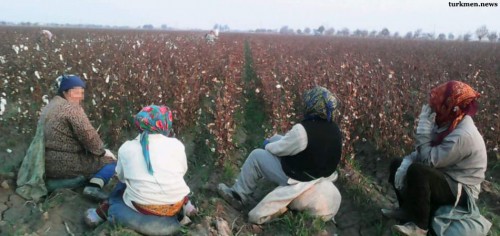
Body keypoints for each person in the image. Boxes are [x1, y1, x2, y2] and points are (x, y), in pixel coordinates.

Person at [217, 86, 343, 219]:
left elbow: (279, 149)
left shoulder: (303, 131)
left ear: (312, 106)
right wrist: (275, 141)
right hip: (316, 174)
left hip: (298, 177)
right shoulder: (335, 130)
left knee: (256, 156)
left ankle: (238, 195)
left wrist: (267, 145)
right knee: (277, 138)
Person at [383, 81, 488, 235]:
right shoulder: (450, 122)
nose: (435, 108)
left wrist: (423, 130)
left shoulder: (463, 135)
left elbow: (429, 161)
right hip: (446, 174)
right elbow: (423, 152)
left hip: (461, 189)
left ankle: (420, 226)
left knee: (419, 171)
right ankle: (406, 211)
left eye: (442, 104)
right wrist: (405, 163)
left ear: (453, 106)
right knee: (397, 164)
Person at [84, 105, 197, 235]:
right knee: (173, 179)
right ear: (165, 124)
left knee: (122, 185)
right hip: (174, 205)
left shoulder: (127, 148)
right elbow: (182, 171)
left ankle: (99, 214)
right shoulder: (177, 145)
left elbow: (121, 177)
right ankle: (187, 207)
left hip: (143, 208)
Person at [43, 74, 116, 200]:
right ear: (65, 92)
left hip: (46, 161)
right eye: (76, 93)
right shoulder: (71, 109)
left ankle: (57, 183)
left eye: (82, 93)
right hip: (65, 163)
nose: (81, 97)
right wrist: (103, 152)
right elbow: (89, 137)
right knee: (112, 162)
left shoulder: (50, 106)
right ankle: (93, 187)